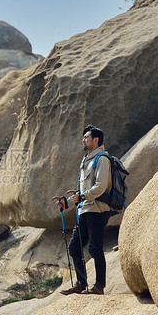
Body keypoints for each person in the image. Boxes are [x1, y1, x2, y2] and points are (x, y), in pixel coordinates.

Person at [57, 125, 111, 295]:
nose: (83, 139)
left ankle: (99, 286)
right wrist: (67, 203)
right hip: (85, 210)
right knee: (74, 248)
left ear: (96, 140)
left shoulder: (102, 159)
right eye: (83, 137)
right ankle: (81, 284)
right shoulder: (85, 161)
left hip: (97, 210)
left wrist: (82, 197)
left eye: (86, 137)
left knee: (95, 248)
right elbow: (82, 191)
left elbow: (100, 187)